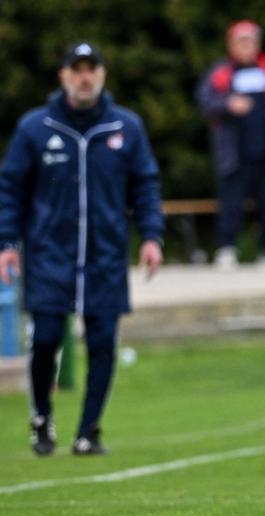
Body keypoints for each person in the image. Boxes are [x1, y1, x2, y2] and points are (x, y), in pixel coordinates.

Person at [0, 41, 164, 456]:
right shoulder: (35, 128)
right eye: (77, 69)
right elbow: (10, 189)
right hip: (48, 254)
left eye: (92, 69)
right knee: (47, 338)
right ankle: (41, 418)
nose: (85, 76)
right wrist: (6, 243)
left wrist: (151, 236)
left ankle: (89, 431)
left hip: (104, 256)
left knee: (104, 340)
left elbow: (145, 184)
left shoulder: (125, 127)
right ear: (64, 76)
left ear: (103, 75)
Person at [198, 20, 265, 270]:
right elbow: (206, 102)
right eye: (241, 41)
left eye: (251, 41)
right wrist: (227, 104)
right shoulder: (221, 74)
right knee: (231, 201)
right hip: (234, 153)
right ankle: (227, 248)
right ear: (231, 44)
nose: (247, 46)